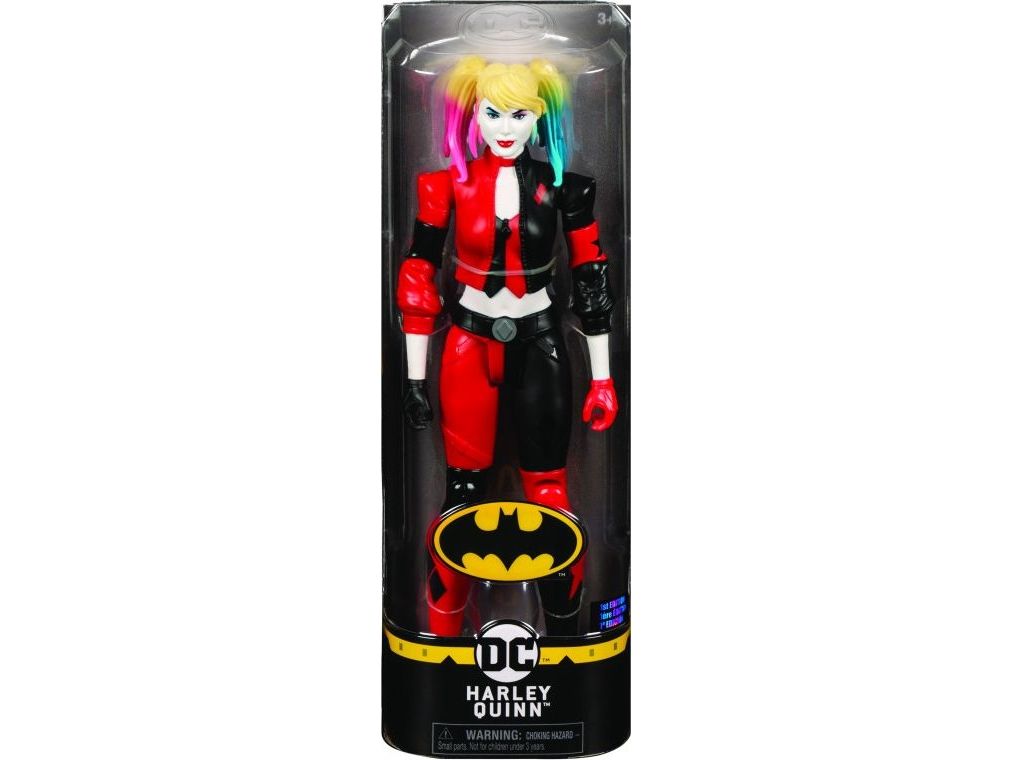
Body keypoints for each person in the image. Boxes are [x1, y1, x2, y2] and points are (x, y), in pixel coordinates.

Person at [397, 56, 618, 636]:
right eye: (493, 112)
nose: (504, 127)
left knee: (549, 496)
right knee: (462, 496)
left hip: (540, 344)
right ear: (474, 114)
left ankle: (566, 640)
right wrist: (414, 378)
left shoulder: (565, 188)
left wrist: (602, 378)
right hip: (468, 346)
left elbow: (591, 277)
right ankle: (441, 641)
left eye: (519, 114)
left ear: (539, 118)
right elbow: (418, 276)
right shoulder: (444, 186)